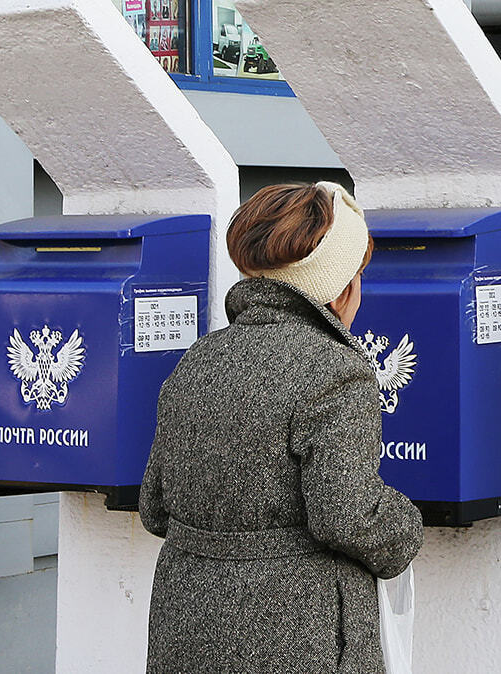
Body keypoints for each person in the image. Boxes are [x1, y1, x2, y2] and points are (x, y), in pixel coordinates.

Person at [139, 182, 424, 672]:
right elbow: (347, 515)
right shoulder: (338, 372)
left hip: (183, 621)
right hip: (299, 631)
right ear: (342, 286)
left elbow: (155, 509)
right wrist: (404, 525)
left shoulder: (197, 361)